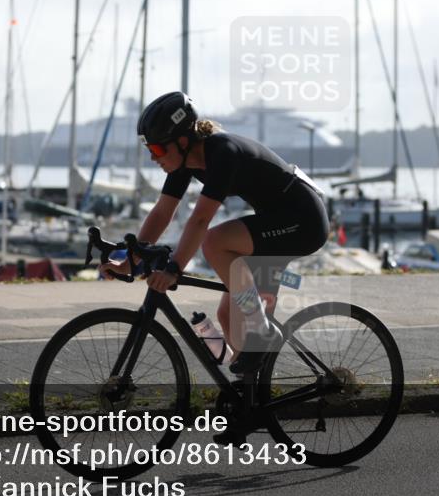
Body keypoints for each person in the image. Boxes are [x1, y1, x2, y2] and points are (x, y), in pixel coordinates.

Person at [101, 91, 329, 373]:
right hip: (276, 224)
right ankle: (253, 398)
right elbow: (162, 213)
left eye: (158, 150)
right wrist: (130, 261)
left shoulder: (223, 153)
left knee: (215, 242)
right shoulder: (184, 163)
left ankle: (261, 328)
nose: (152, 158)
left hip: (303, 221)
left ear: (183, 141)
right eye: (149, 150)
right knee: (228, 317)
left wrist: (174, 269)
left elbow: (200, 220)